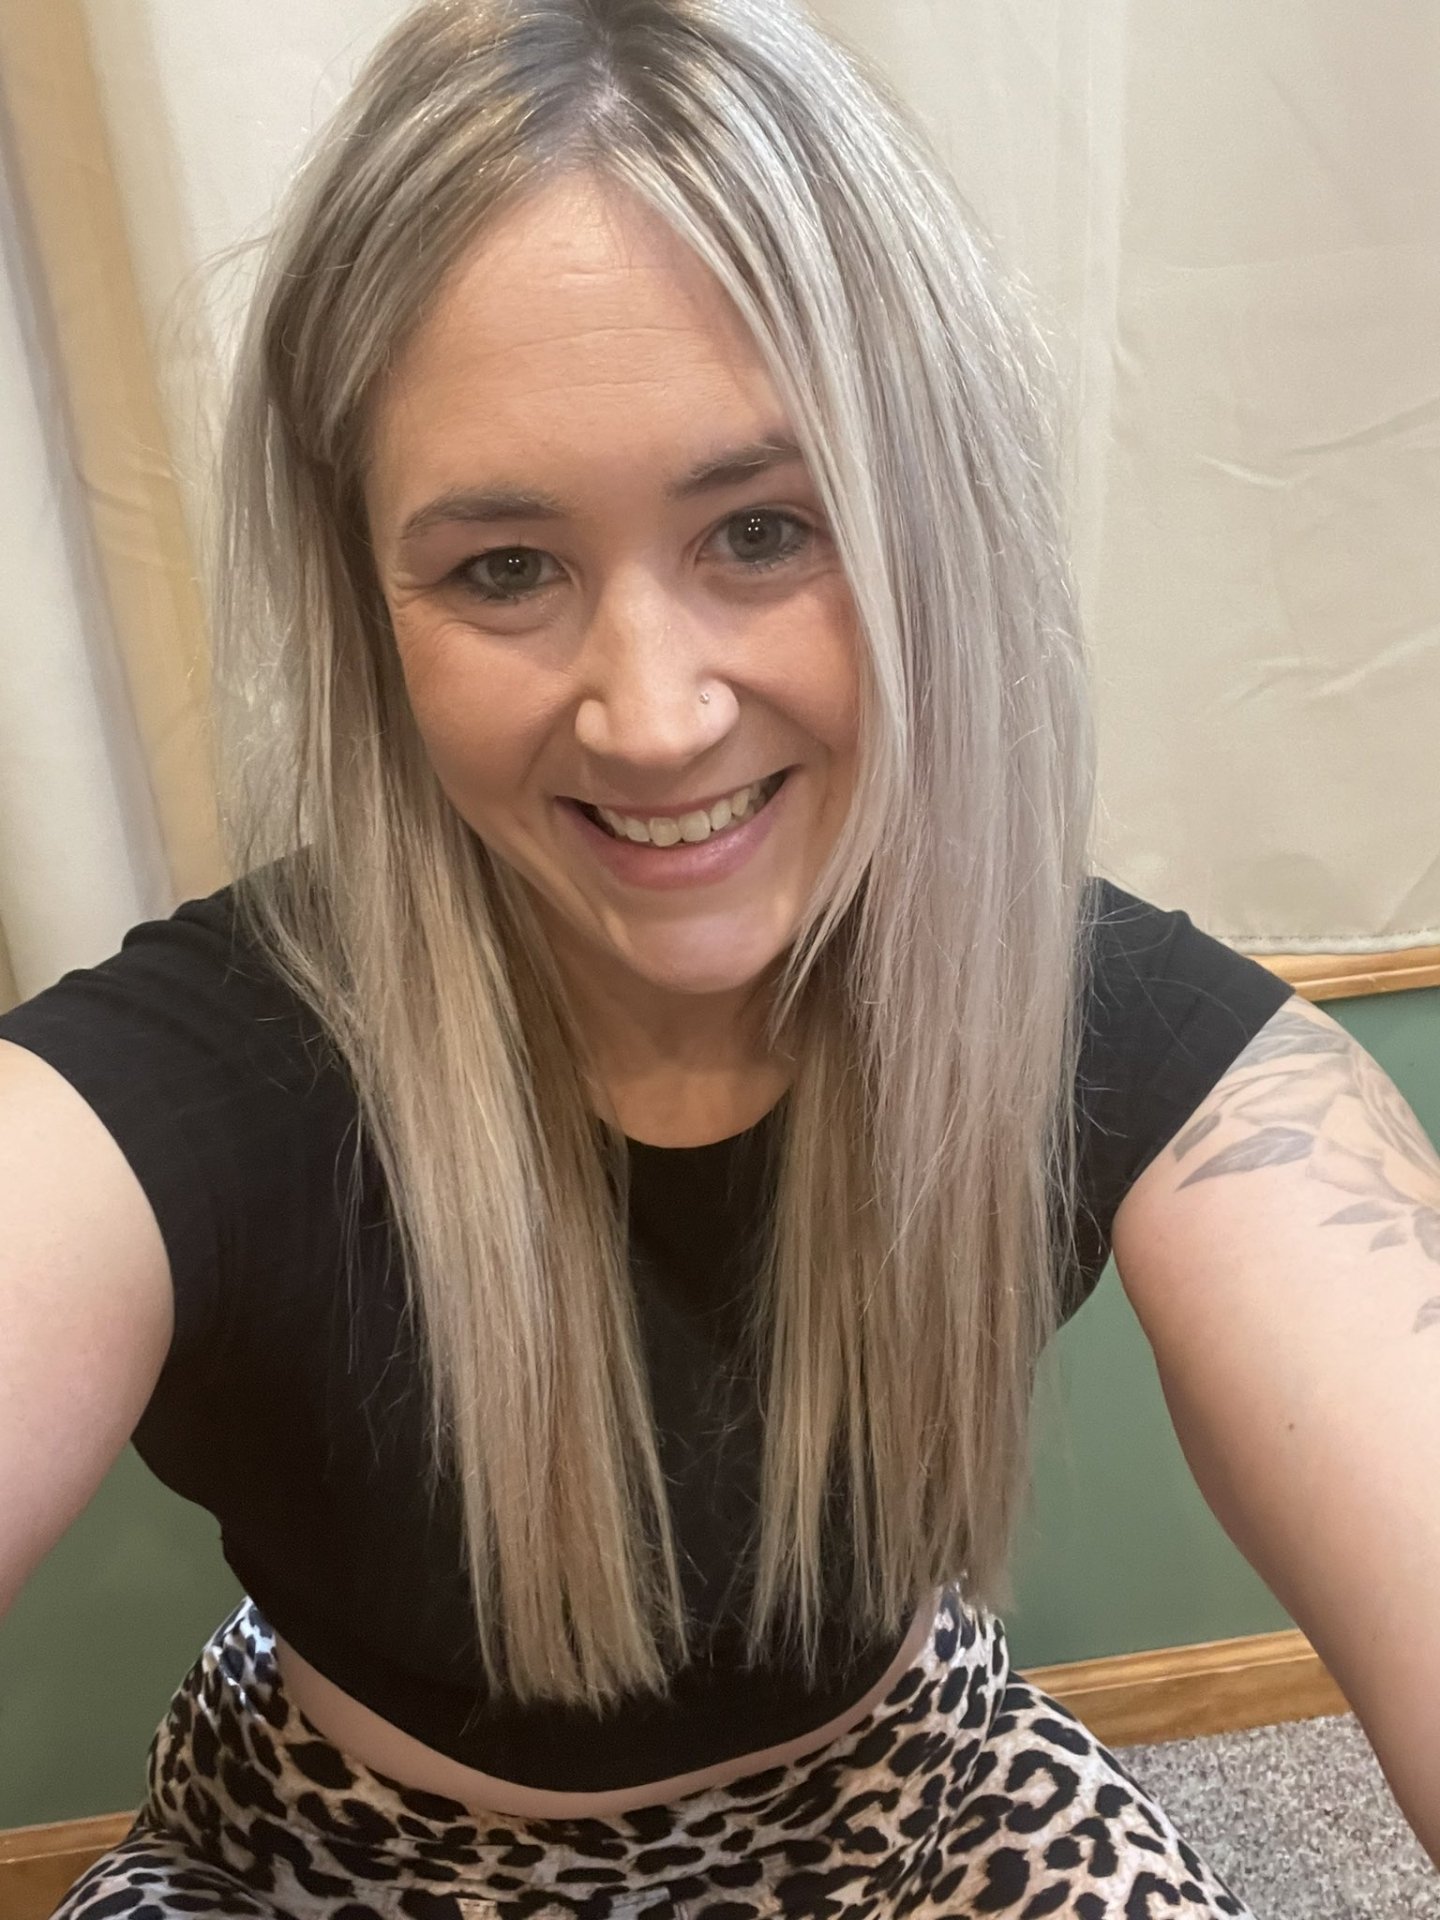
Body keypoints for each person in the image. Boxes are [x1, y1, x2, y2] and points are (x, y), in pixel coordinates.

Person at [2, 0, 1437, 1913]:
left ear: (932, 533)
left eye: (763, 530)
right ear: (369, 604)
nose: (655, 717)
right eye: (505, 567)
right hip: (329, 1860)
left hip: (910, 1813)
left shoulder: (1124, 1041)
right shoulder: (189, 1081)